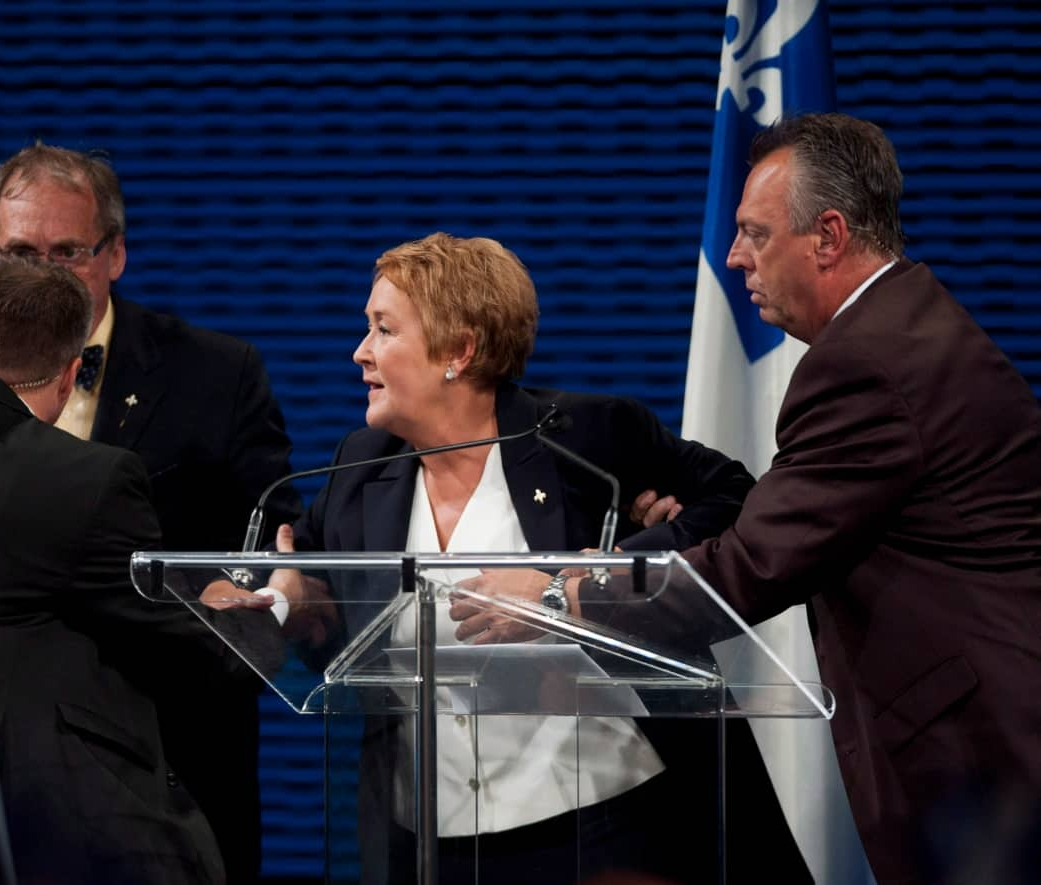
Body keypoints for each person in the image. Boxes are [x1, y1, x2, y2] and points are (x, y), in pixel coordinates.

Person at [253, 232, 809, 884]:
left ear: (459, 350)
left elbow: (736, 500)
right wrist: (287, 597)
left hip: (604, 827)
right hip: (430, 845)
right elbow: (329, 611)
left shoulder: (583, 438)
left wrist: (581, 576)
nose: (361, 352)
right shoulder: (359, 465)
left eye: (383, 329)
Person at [628, 113, 1040, 883]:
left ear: (827, 235)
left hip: (989, 772)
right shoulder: (907, 326)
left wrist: (572, 590)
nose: (733, 256)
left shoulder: (869, 365)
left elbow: (753, 567)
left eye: (754, 232)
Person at [0, 142, 301, 882]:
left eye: (67, 251)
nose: (41, 273)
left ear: (116, 254)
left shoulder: (217, 372)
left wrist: (245, 594)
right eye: (19, 251)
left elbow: (269, 537)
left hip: (163, 775)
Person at [0, 257, 276, 884]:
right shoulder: (87, 480)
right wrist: (257, 615)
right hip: (34, 826)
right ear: (68, 377)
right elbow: (177, 645)